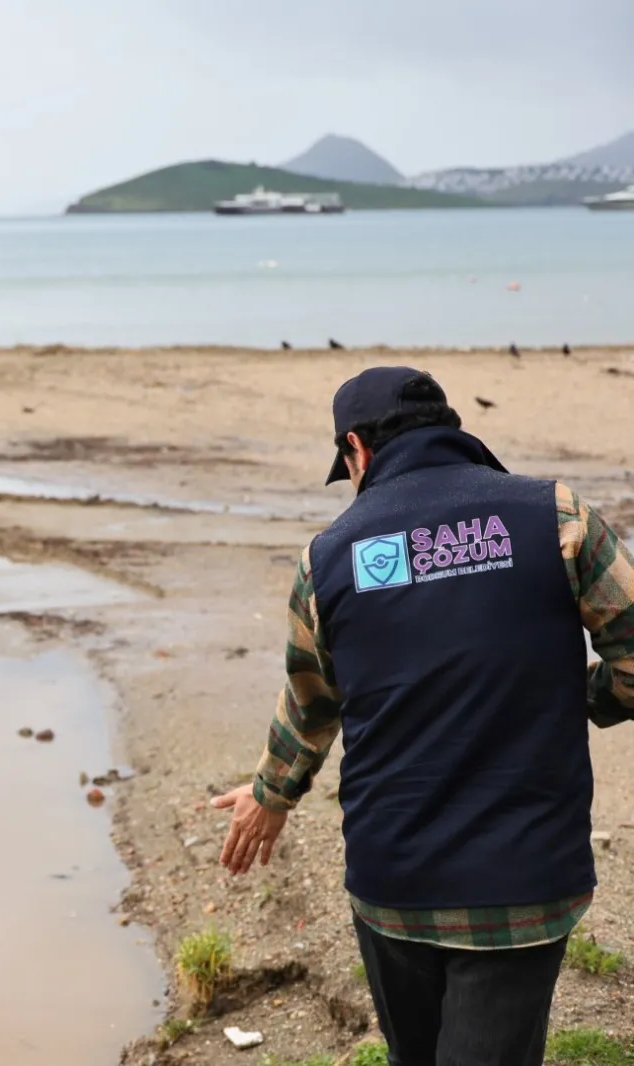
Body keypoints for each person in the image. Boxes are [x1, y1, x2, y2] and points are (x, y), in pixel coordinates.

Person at [213, 367, 634, 1066]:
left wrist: (271, 795)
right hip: (525, 879)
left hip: (392, 879)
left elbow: (312, 699)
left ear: (357, 448)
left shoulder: (328, 558)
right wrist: (575, 696)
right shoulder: (556, 516)